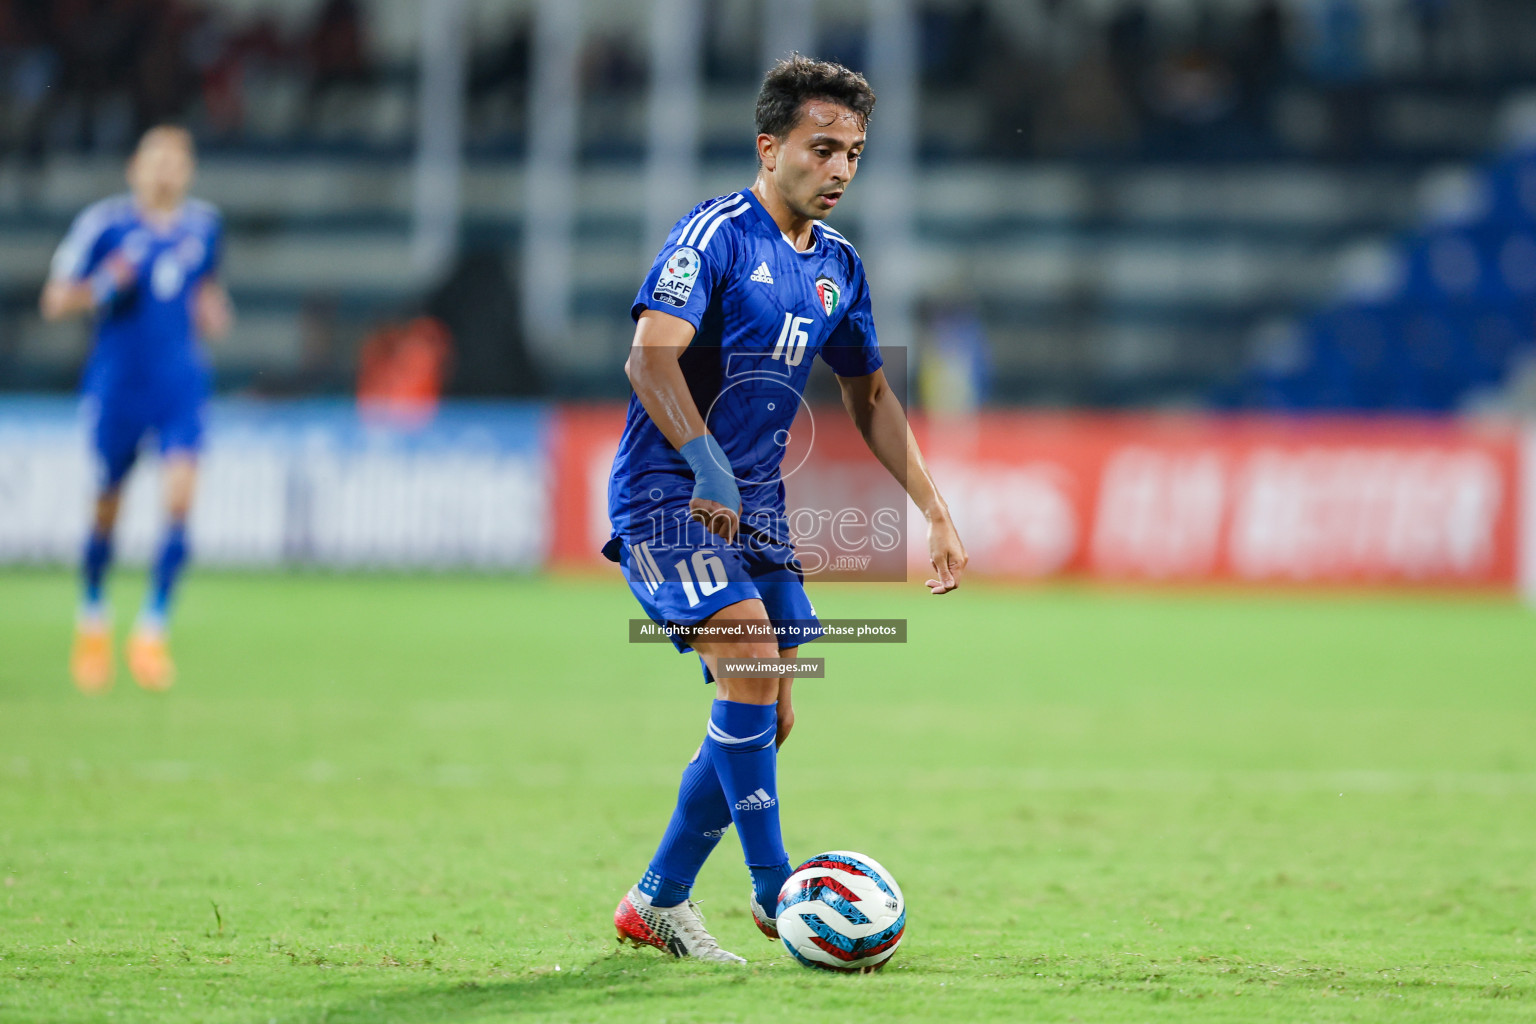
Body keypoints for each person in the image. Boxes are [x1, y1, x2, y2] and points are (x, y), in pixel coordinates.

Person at [607, 56, 967, 962]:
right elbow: (649, 359)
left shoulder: (838, 265)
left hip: (758, 511)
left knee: (769, 709)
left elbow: (872, 397)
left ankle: (657, 900)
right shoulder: (714, 236)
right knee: (754, 661)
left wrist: (935, 510)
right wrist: (705, 462)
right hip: (670, 496)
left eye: (853, 152)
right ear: (770, 148)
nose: (841, 168)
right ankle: (777, 894)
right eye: (822, 148)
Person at [41, 125, 233, 694]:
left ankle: (152, 630)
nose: (166, 171)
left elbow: (205, 292)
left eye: (177, 161)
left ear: (189, 172)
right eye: (156, 160)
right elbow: (55, 299)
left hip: (180, 386)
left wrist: (213, 310)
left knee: (179, 502)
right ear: (134, 169)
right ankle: (94, 616)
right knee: (108, 506)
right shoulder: (104, 226)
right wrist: (104, 283)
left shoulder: (205, 227)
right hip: (119, 386)